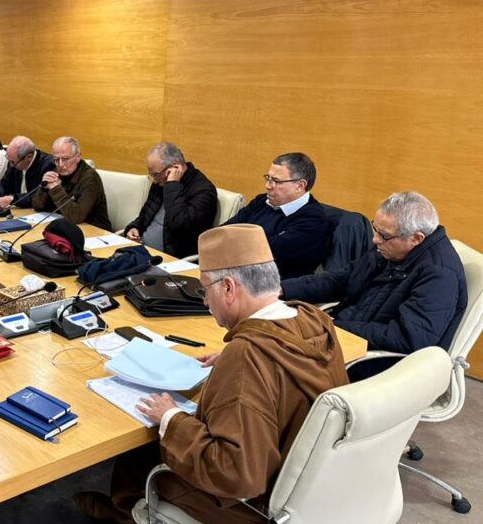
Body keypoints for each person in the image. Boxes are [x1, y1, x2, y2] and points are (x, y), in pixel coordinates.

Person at [73, 224, 348, 524]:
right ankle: (129, 520)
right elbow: (283, 377)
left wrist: (171, 418)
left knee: (145, 448)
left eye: (205, 290)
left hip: (260, 512)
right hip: (317, 496)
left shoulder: (249, 355)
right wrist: (234, 357)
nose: (205, 301)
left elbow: (234, 473)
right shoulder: (312, 320)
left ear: (229, 287)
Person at [282, 191, 467, 379]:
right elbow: (343, 279)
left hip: (379, 364)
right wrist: (282, 289)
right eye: (376, 229)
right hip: (348, 337)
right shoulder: (389, 247)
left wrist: (333, 326)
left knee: (280, 366)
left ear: (416, 238)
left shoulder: (439, 274)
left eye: (384, 235)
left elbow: (407, 338)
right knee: (274, 341)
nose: (375, 239)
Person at [224, 152, 333, 280]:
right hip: (234, 273)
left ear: (300, 186)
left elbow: (261, 252)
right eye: (268, 178)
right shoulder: (261, 201)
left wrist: (235, 240)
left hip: (271, 285)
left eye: (276, 181)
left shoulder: (313, 221)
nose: (267, 186)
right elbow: (224, 232)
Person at [124, 142, 217, 257]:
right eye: (152, 175)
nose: (155, 181)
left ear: (175, 167)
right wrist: (135, 227)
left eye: (156, 175)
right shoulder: (160, 182)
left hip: (169, 259)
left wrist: (172, 185)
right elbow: (145, 215)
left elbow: (179, 224)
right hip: (141, 250)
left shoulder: (203, 191)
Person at [31, 136, 112, 229]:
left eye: (65, 159)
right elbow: (37, 206)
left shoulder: (90, 178)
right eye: (56, 159)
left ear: (78, 157)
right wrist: (44, 188)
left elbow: (76, 216)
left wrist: (56, 189)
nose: (60, 164)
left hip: (95, 230)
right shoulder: (56, 172)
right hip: (66, 226)